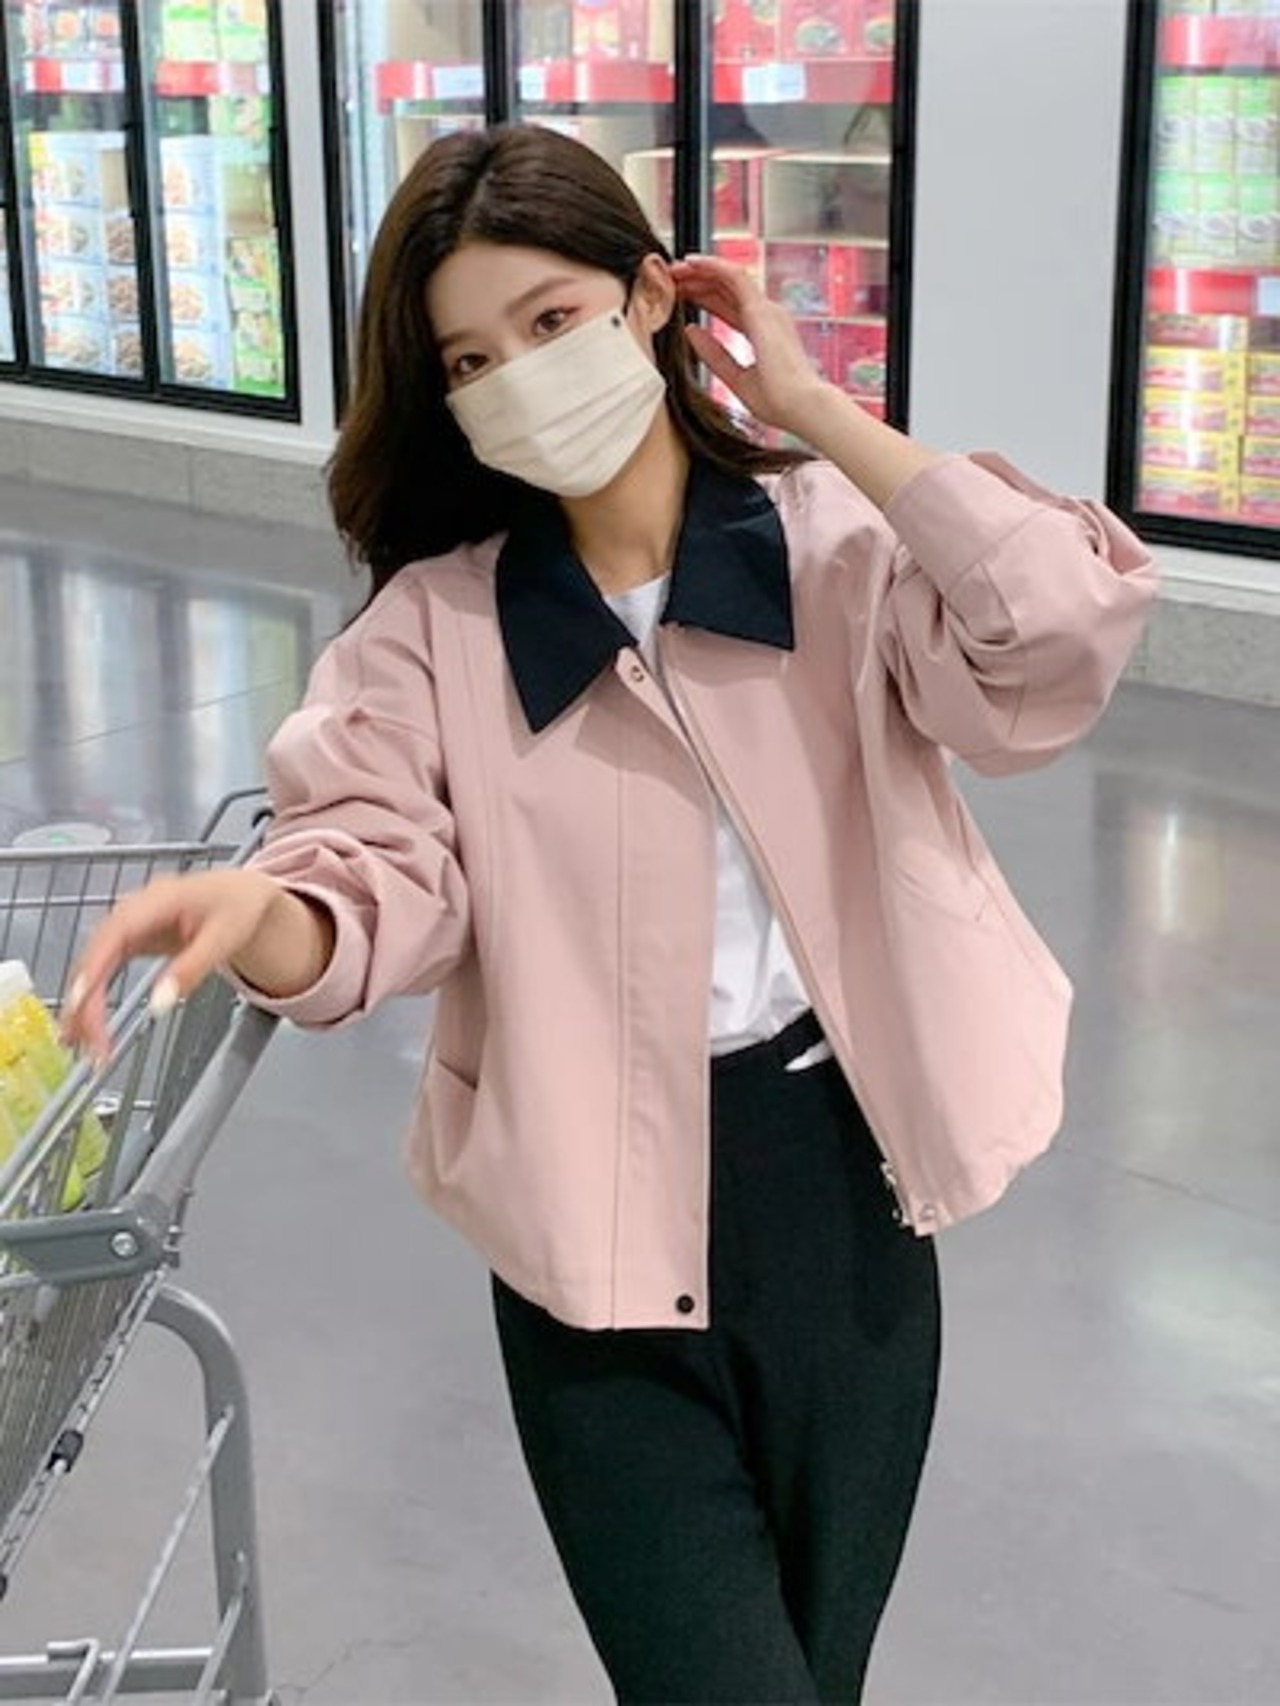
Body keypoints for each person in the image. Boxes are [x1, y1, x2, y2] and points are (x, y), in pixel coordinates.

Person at [62, 123, 1159, 1704]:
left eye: (551, 320)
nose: (517, 377)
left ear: (652, 298)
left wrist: (813, 409)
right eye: (470, 359)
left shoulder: (832, 550)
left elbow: (1053, 636)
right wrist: (263, 908)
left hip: (842, 1214)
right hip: (591, 1249)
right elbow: (368, 876)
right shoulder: (434, 635)